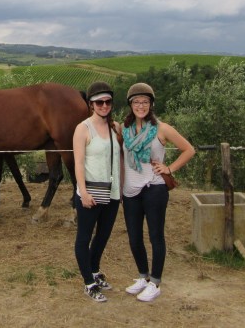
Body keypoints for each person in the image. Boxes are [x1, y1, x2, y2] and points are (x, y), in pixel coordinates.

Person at [121, 82, 195, 302]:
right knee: (134, 238)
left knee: (155, 236)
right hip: (130, 190)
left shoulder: (162, 128)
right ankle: (143, 277)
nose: (141, 105)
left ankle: (155, 282)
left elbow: (189, 149)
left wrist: (169, 168)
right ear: (130, 104)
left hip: (154, 188)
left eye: (145, 101)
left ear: (151, 104)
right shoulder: (124, 129)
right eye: (136, 101)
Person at [73, 81, 121, 302]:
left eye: (107, 101)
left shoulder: (115, 127)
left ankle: (94, 270)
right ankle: (89, 283)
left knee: (102, 235)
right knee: (84, 237)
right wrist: (82, 192)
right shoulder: (83, 128)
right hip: (90, 191)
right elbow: (79, 163)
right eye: (99, 102)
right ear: (91, 104)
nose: (104, 105)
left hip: (112, 192)